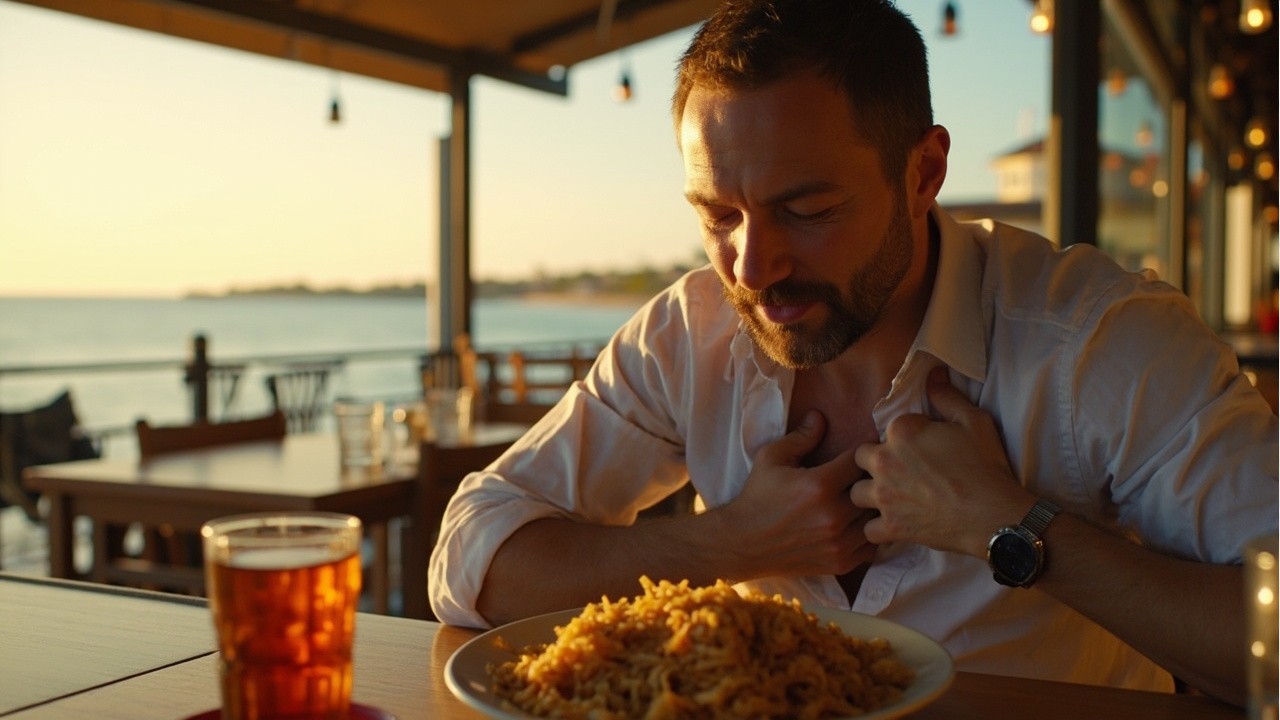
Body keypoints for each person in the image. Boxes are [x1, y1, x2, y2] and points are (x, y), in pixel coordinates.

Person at [429, 0, 1277, 705]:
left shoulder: (1099, 341)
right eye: (719, 215)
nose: (753, 268)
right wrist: (727, 545)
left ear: (923, 173)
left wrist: (1011, 529)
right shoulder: (689, 334)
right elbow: (468, 559)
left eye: (806, 208)